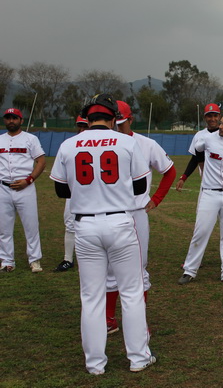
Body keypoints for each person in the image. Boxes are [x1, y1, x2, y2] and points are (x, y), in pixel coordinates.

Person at [49, 93, 155, 374]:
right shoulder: (127, 142)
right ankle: (138, 358)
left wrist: (89, 192)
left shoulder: (69, 145)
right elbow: (140, 187)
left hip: (85, 225)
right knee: (131, 293)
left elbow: (61, 190)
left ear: (87, 117)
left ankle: (95, 363)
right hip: (120, 221)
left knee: (91, 297)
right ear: (113, 117)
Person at [105, 100, 176, 334]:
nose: (117, 127)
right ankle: (108, 319)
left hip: (136, 212)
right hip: (107, 212)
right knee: (108, 269)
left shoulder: (146, 144)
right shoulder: (101, 144)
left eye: (122, 123)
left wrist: (156, 198)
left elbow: (169, 171)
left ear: (130, 119)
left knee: (138, 267)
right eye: (115, 123)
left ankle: (137, 322)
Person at [178, 113, 223, 284]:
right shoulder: (207, 139)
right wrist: (186, 176)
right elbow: (197, 155)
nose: (220, 126)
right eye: (221, 123)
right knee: (200, 232)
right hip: (209, 192)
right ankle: (190, 270)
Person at [0, 108, 45, 273]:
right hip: (3, 187)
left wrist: (29, 180)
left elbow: (41, 161)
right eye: (8, 118)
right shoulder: (0, 139)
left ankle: (34, 260)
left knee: (31, 226)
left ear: (21, 120)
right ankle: (7, 261)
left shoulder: (30, 139)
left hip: (25, 187)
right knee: (4, 228)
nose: (11, 121)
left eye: (14, 118)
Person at [55, 116, 89, 272]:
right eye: (80, 126)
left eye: (85, 126)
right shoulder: (70, 145)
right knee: (70, 225)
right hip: (73, 192)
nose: (82, 129)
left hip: (96, 193)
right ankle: (68, 259)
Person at [175, 103, 221, 191]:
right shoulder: (199, 135)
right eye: (209, 116)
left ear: (219, 116)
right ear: (205, 117)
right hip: (206, 183)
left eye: (215, 116)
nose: (212, 119)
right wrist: (184, 177)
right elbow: (194, 159)